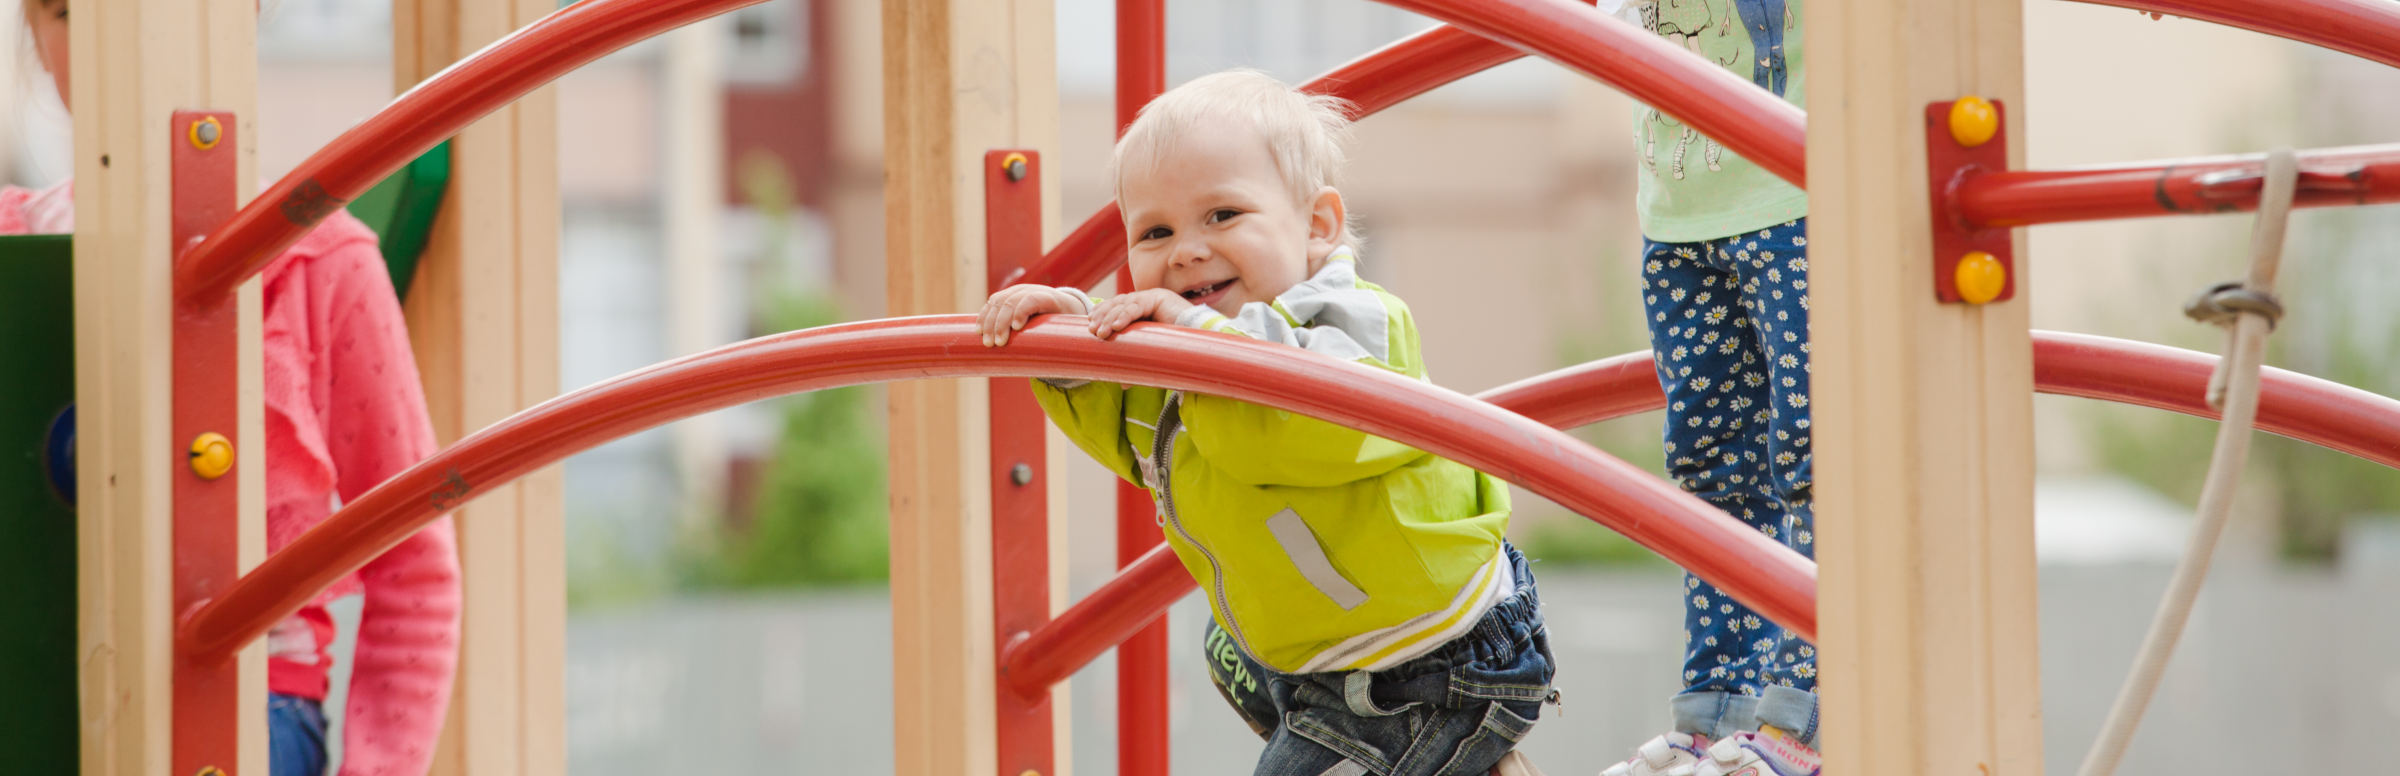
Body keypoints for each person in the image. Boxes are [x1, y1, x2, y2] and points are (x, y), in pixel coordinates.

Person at [976, 70, 1555, 776]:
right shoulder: (1187, 349)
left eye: (1222, 215)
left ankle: (1458, 744)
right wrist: (1070, 345)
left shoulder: (1353, 323)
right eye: (1155, 231)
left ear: (1316, 227)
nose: (1186, 249)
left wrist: (1196, 329)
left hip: (1432, 655)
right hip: (1317, 652)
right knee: (1224, 648)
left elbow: (1289, 429)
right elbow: (1137, 433)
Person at [16, 2, 462, 775]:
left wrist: (378, 766)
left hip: (257, 698)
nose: (105, 38)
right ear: (33, 34)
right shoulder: (20, 250)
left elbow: (412, 556)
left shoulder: (317, 262)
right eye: (66, 10)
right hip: (46, 681)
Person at [1601, 1, 1822, 775]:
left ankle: (1811, 706)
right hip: (1678, 211)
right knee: (1711, 469)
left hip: (1797, 191)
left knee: (1812, 453)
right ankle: (1719, 704)